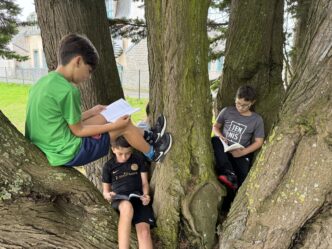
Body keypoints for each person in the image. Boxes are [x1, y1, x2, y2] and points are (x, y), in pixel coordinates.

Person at [25, 33, 172, 167]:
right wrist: (114, 126)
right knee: (123, 126)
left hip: (50, 144)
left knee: (104, 116)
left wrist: (91, 112)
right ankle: (154, 153)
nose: (88, 77)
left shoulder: (43, 83)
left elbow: (64, 120)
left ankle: (149, 136)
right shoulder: (68, 91)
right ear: (78, 61)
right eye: (89, 71)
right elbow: (79, 130)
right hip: (68, 151)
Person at [102, 136, 155, 249]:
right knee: (127, 207)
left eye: (128, 153)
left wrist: (146, 195)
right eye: (120, 153)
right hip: (120, 199)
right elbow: (105, 192)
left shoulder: (138, 159)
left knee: (144, 233)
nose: (124, 157)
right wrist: (109, 195)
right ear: (113, 149)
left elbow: (145, 183)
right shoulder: (108, 166)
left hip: (138, 198)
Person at [211, 85, 264, 190]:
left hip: (241, 152)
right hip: (225, 149)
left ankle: (233, 189)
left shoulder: (257, 120)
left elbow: (259, 142)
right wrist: (220, 136)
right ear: (235, 98)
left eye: (245, 105)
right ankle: (228, 173)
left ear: (252, 102)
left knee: (241, 179)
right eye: (238, 103)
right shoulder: (227, 111)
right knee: (215, 140)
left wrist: (243, 152)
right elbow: (216, 127)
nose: (240, 107)